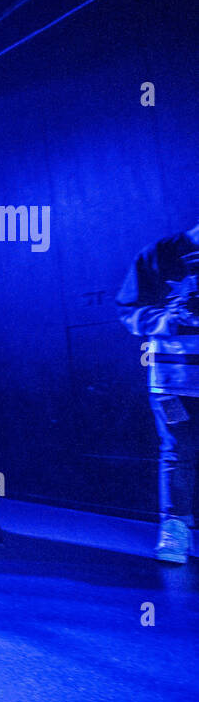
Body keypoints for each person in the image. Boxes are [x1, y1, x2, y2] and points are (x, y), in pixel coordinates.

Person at [116, 219, 199, 564]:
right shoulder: (158, 254)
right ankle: (175, 528)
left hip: (174, 378)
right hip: (174, 383)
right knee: (179, 452)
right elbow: (128, 310)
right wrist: (171, 318)